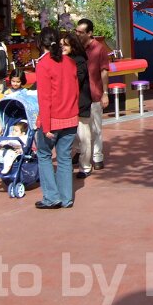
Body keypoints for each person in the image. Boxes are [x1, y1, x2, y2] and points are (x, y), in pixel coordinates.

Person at [34, 27, 79, 209]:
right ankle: (66, 198)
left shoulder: (43, 65)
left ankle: (52, 197)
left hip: (53, 119)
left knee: (44, 155)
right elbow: (75, 91)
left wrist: (45, 125)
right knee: (65, 157)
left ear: (40, 43)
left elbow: (44, 98)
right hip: (71, 117)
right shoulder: (70, 62)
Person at [74, 18, 109, 169]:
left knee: (96, 128)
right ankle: (80, 152)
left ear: (89, 33)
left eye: (81, 32)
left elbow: (104, 71)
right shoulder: (75, 48)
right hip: (78, 95)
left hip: (94, 94)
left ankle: (98, 156)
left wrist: (105, 92)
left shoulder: (99, 49)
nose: (78, 34)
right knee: (79, 128)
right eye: (76, 31)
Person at [61, 32, 93, 178]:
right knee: (71, 136)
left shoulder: (79, 61)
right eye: (61, 45)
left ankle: (85, 166)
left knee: (83, 135)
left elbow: (76, 81)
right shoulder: (62, 60)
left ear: (73, 46)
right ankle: (75, 159)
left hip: (80, 103)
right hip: (68, 103)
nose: (63, 47)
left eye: (65, 45)